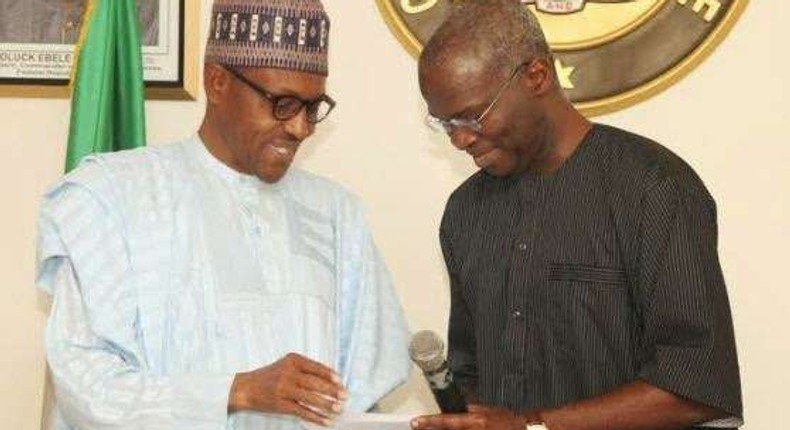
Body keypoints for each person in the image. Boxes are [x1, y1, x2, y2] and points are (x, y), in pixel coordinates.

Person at [35, 1, 410, 429]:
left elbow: (361, 395)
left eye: (312, 107)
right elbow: (87, 386)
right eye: (283, 103)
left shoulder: (337, 216)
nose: (300, 128)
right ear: (217, 82)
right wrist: (238, 390)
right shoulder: (110, 199)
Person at [411, 1, 742, 430]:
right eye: (444, 123)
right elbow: (472, 376)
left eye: (470, 116)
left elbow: (697, 387)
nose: (458, 139)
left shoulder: (653, 189)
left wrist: (533, 426)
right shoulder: (464, 213)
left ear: (536, 77)